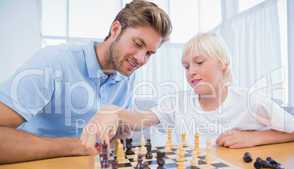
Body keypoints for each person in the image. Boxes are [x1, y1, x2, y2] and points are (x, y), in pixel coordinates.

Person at [0, 0, 172, 164]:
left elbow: (109, 137)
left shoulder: (126, 75)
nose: (140, 59)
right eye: (137, 43)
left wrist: (117, 133)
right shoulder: (53, 62)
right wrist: (75, 146)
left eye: (149, 53)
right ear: (115, 30)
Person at [81, 32, 294, 149]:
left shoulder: (251, 102)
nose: (191, 71)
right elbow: (141, 119)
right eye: (186, 66)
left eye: (199, 62)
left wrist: (254, 138)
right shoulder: (178, 103)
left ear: (223, 64)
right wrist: (113, 112)